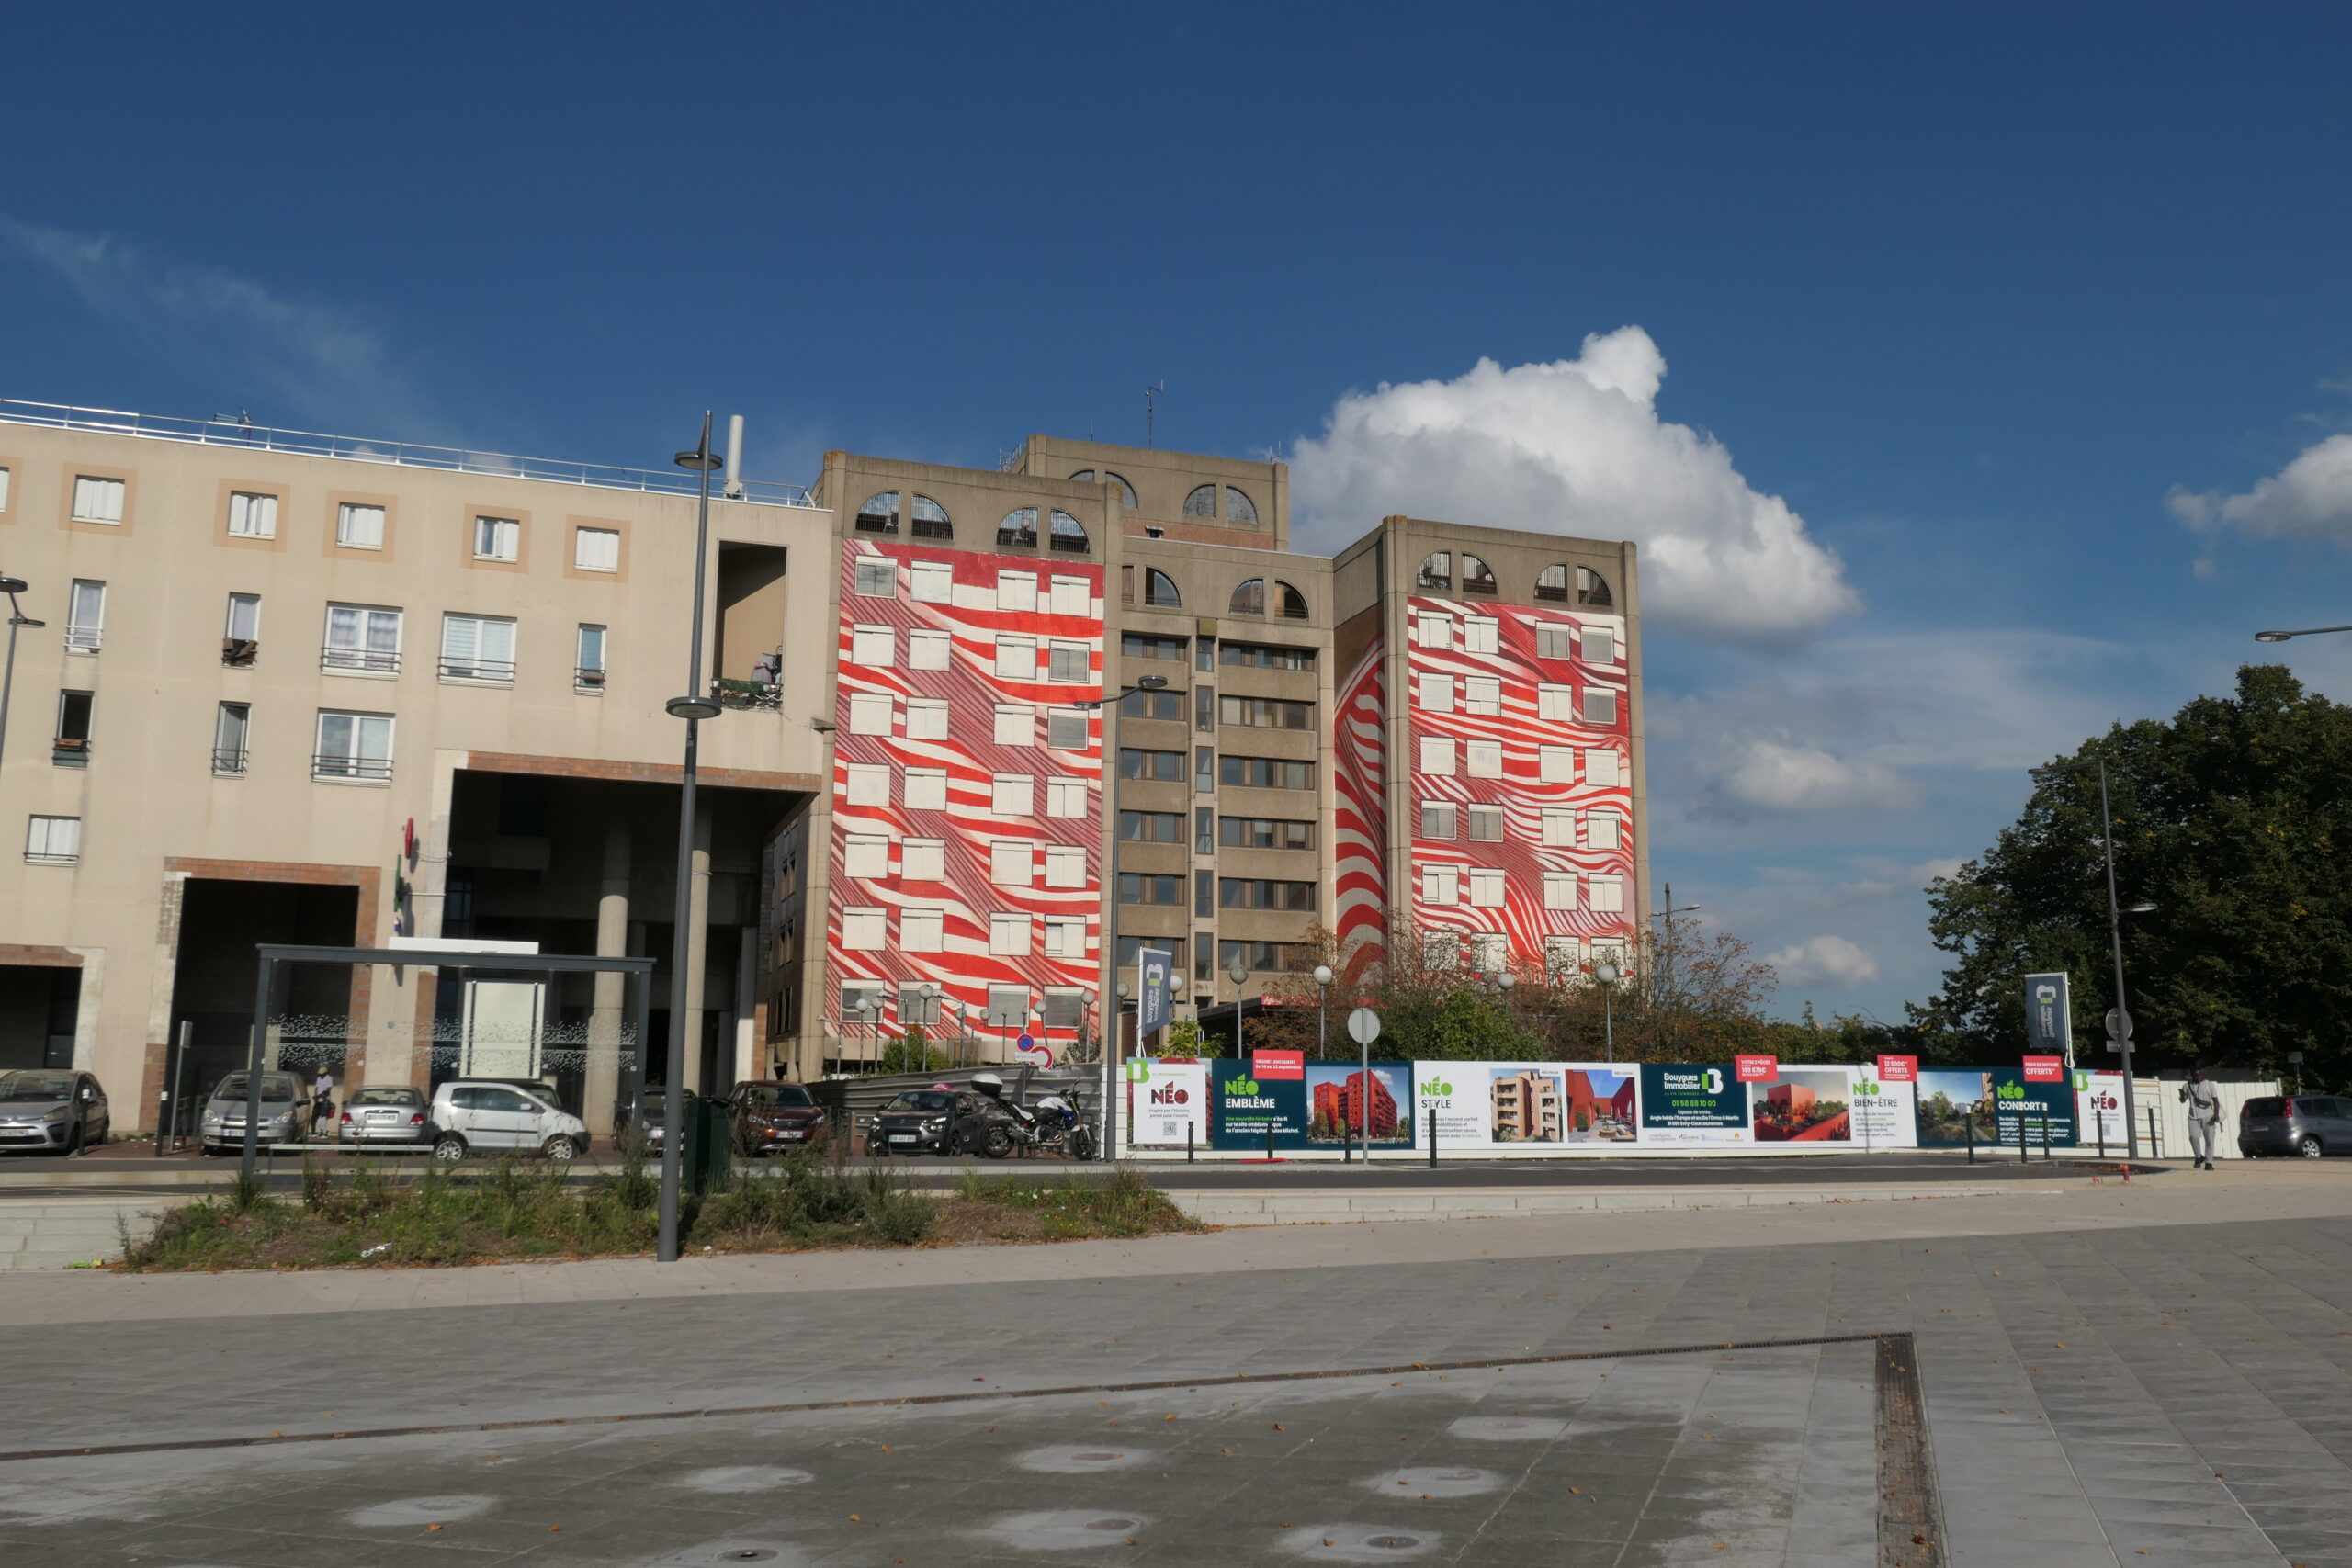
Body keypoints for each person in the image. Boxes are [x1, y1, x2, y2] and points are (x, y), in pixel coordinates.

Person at [2179, 1068, 2221, 1169]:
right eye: (2195, 1075)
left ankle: (2208, 1163)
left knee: (2209, 1139)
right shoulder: (2187, 1085)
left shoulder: (2208, 1084)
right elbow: (2182, 1101)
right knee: (2193, 1137)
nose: (2198, 1077)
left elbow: (2215, 1101)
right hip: (2193, 1116)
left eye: (2199, 1075)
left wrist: (2216, 1114)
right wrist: (2182, 1096)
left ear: (2203, 1074)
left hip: (2208, 1116)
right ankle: (2198, 1156)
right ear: (2192, 1075)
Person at [311, 1067, 336, 1137]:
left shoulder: (328, 1078)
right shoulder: (319, 1078)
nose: (320, 1075)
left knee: (323, 1117)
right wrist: (316, 1097)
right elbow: (316, 1088)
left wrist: (319, 1096)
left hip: (325, 1101)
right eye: (320, 1074)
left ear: (325, 1073)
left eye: (322, 1074)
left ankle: (324, 1132)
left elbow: (328, 1090)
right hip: (318, 1100)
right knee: (315, 1116)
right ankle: (314, 1132)